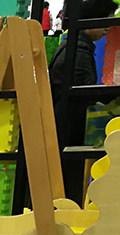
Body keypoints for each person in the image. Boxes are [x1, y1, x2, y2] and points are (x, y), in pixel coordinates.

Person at [48, 0, 118, 199]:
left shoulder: (75, 46)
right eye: (105, 21)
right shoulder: (77, 51)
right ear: (89, 21)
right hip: (69, 127)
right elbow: (85, 91)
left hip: (64, 123)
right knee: (68, 181)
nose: (108, 27)